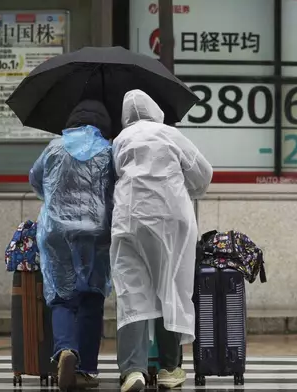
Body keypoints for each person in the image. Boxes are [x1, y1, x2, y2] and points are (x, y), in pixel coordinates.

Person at [110, 89, 213, 392]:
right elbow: (203, 175)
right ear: (155, 110)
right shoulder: (170, 134)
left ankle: (133, 370)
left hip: (128, 218)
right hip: (171, 220)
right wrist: (184, 187)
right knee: (172, 288)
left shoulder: (119, 140)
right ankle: (169, 368)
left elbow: (115, 175)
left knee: (132, 290)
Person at [29, 100, 115, 391]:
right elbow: (116, 189)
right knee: (92, 297)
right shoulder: (108, 151)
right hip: (96, 235)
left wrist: (54, 203)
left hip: (56, 234)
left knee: (62, 298)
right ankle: (86, 369)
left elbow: (35, 178)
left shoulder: (54, 147)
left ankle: (65, 350)